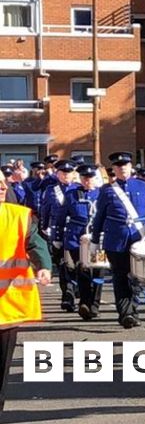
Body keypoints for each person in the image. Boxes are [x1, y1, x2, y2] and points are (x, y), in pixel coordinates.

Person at [0, 169, 51, 412]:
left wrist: (44, 266)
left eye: (3, 183)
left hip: (7, 307)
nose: (2, 187)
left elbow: (35, 242)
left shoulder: (19, 216)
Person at [91, 152, 145, 329]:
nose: (122, 168)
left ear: (131, 167)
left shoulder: (143, 185)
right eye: (118, 166)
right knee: (120, 276)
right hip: (116, 240)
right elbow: (100, 217)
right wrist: (94, 240)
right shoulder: (107, 190)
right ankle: (126, 313)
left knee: (136, 276)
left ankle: (133, 308)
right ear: (114, 169)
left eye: (125, 165)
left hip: (139, 238)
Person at [54, 164, 104, 320]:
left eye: (90, 178)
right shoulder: (71, 195)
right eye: (84, 178)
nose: (87, 181)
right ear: (80, 179)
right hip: (76, 238)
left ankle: (94, 305)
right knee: (82, 270)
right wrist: (57, 238)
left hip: (98, 239)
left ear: (95, 178)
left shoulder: (103, 194)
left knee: (98, 271)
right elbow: (61, 217)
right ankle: (84, 302)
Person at [40, 159, 79, 312]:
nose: (66, 175)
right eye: (63, 173)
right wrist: (45, 228)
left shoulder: (78, 189)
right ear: (57, 174)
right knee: (63, 266)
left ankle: (76, 290)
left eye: (69, 172)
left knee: (77, 266)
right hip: (59, 233)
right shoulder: (51, 190)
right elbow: (45, 210)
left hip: (76, 234)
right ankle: (67, 296)